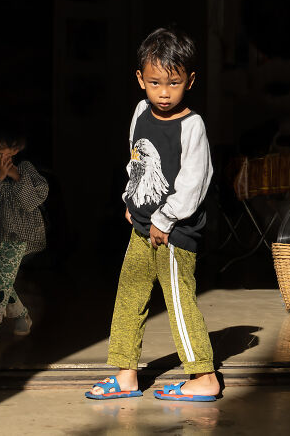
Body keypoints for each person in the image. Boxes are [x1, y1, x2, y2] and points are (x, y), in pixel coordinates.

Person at [85, 27, 220, 401]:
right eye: (155, 82)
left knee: (178, 300)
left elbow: (195, 182)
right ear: (140, 78)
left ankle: (204, 376)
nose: (163, 92)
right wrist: (132, 203)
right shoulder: (141, 111)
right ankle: (126, 375)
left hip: (174, 233)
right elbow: (136, 160)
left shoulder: (192, 126)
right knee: (129, 295)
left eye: (173, 83)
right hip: (142, 226)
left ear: (189, 81)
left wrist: (164, 219)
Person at [0, 124, 48, 339]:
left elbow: (33, 200)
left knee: (3, 276)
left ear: (15, 150)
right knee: (0, 279)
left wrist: (16, 176)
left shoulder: (27, 169)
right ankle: (22, 315)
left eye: (0, 152)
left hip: (20, 233)